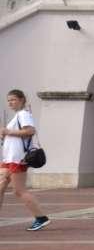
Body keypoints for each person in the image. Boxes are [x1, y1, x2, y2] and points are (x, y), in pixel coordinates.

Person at [0, 90, 49, 230]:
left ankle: (41, 218)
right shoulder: (17, 116)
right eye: (9, 100)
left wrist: (8, 132)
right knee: (0, 186)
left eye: (13, 99)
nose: (10, 103)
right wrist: (5, 135)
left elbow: (30, 131)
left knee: (19, 191)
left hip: (18, 159)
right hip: (9, 158)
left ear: (21, 100)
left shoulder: (23, 114)